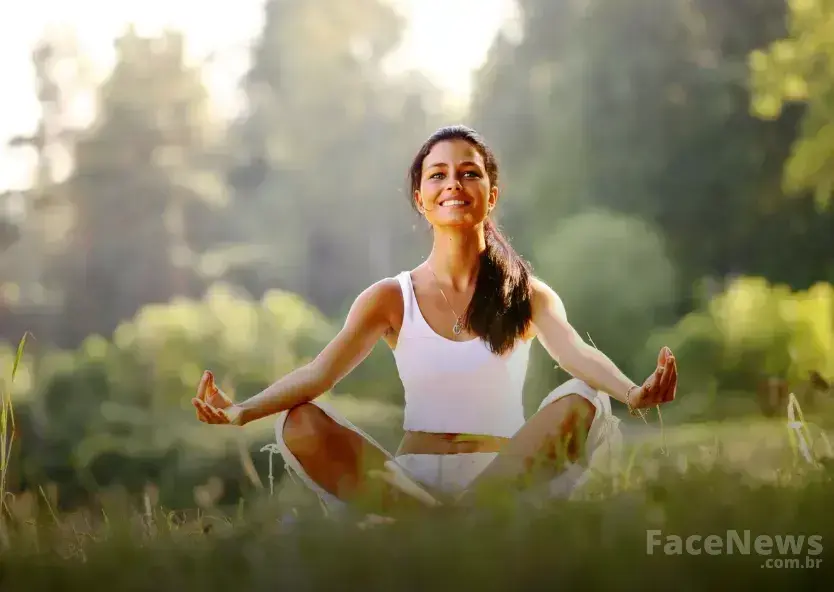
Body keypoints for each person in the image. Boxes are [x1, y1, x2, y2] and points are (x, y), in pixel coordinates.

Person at [192, 125, 678, 513]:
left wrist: (633, 393)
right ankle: (447, 523)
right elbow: (318, 375)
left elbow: (577, 353)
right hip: (408, 485)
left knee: (583, 398)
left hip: (504, 478)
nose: (454, 184)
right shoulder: (389, 298)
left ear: (491, 195)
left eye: (469, 173)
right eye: (438, 175)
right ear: (421, 198)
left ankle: (459, 521)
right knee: (298, 422)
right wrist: (243, 411)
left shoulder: (525, 294)